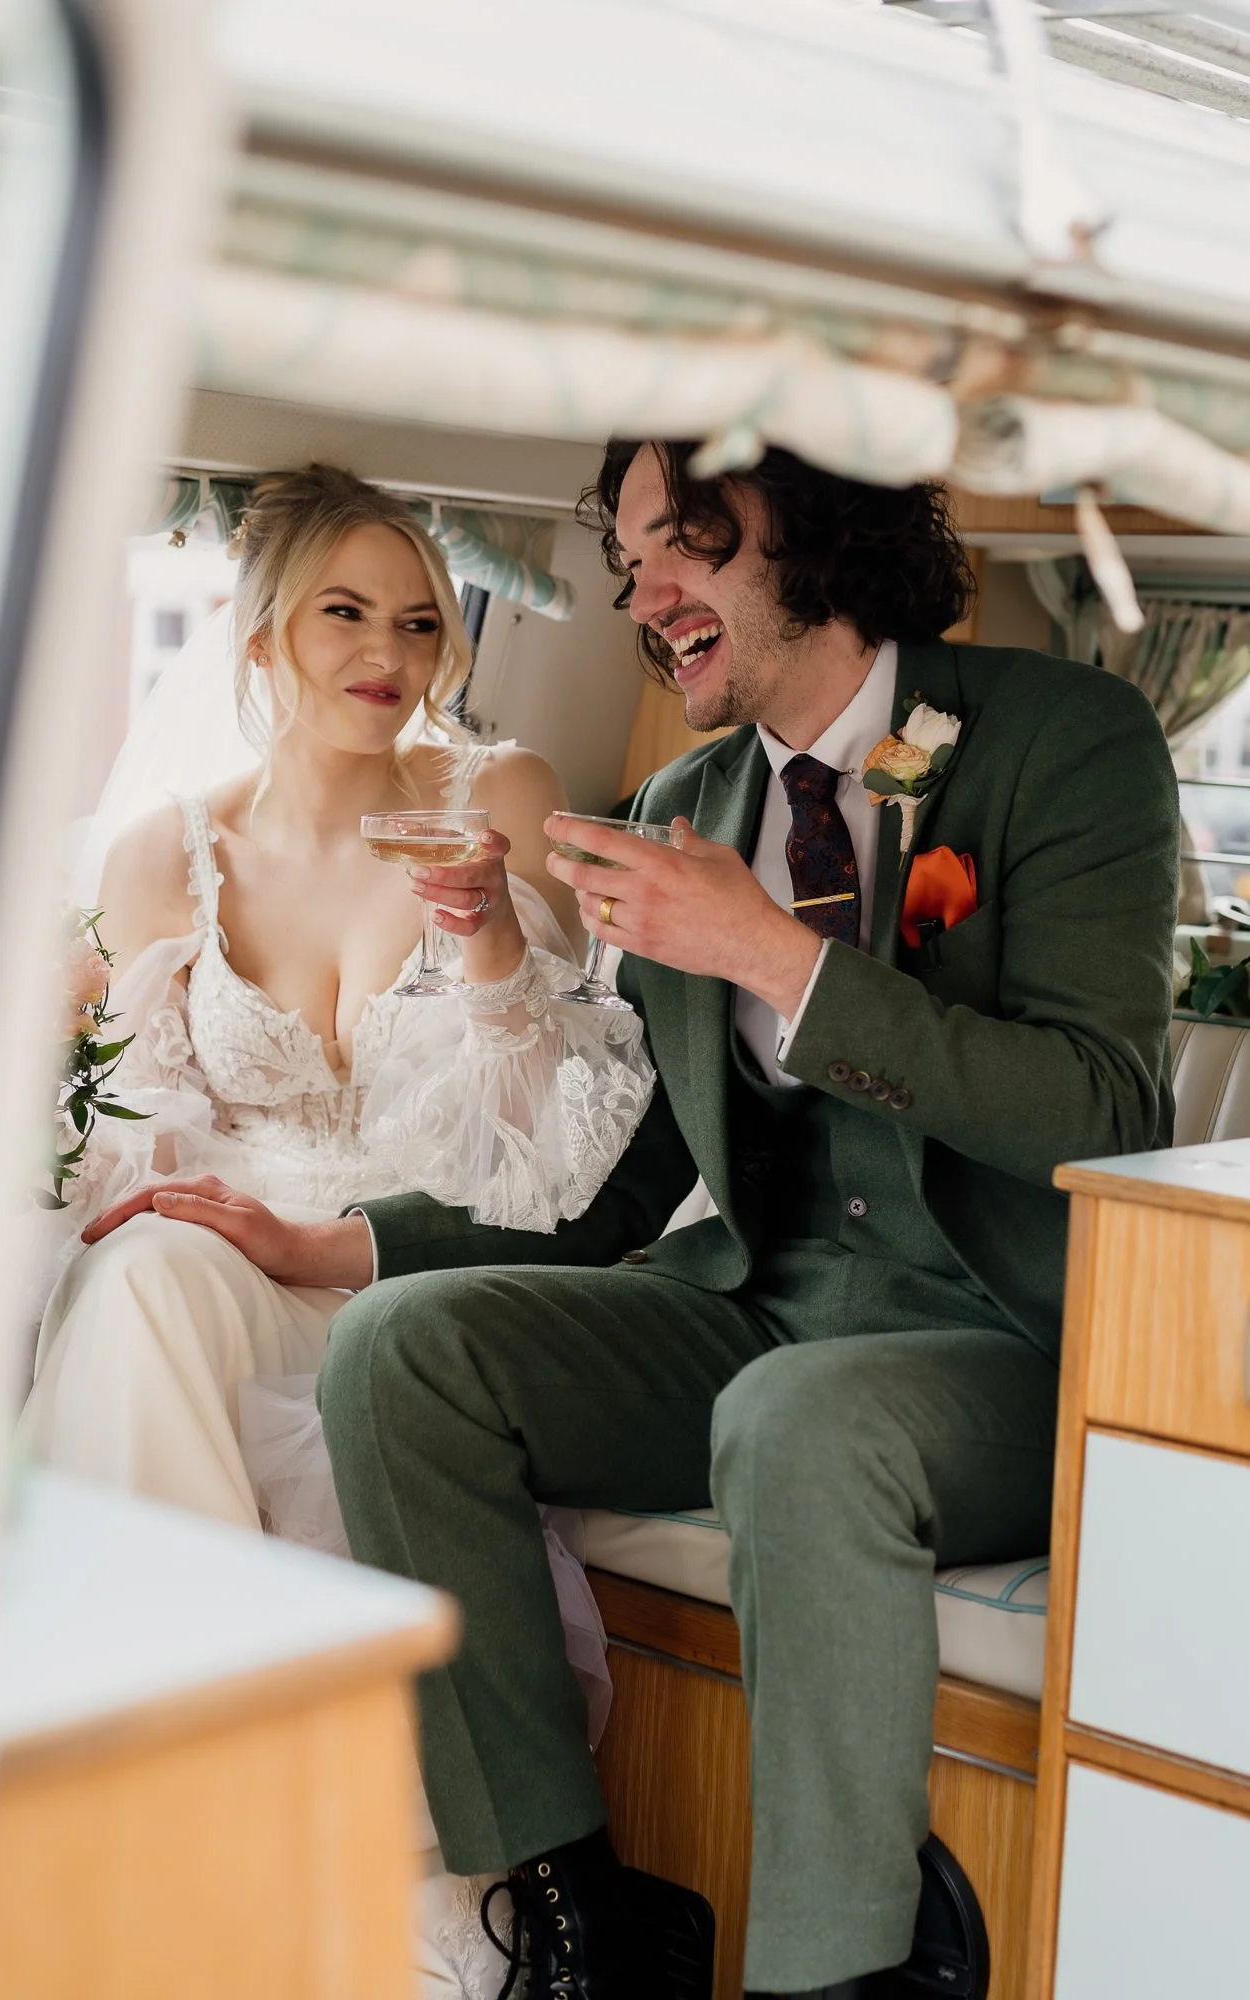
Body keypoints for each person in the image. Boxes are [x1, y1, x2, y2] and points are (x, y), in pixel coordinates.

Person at [143, 441, 1180, 1999]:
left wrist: (782, 959)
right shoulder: (685, 801)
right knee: (406, 1354)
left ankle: (836, 1973)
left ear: (818, 529)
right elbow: (624, 1177)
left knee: (798, 1418)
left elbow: (1108, 1112)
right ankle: (578, 1922)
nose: (648, 595)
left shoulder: (1059, 739)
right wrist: (346, 1251)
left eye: (685, 544)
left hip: (1003, 1341)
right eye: (628, 563)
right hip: (757, 1313)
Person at [17, 463, 653, 2000]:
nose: (388, 649)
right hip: (233, 1258)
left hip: (427, 1258)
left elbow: (564, 1144)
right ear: (262, 640)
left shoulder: (497, 797)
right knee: (141, 1275)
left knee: (210, 1296)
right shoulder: (166, 855)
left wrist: (488, 935)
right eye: (345, 613)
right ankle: (179, 1831)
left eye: (421, 620)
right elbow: (131, 1130)